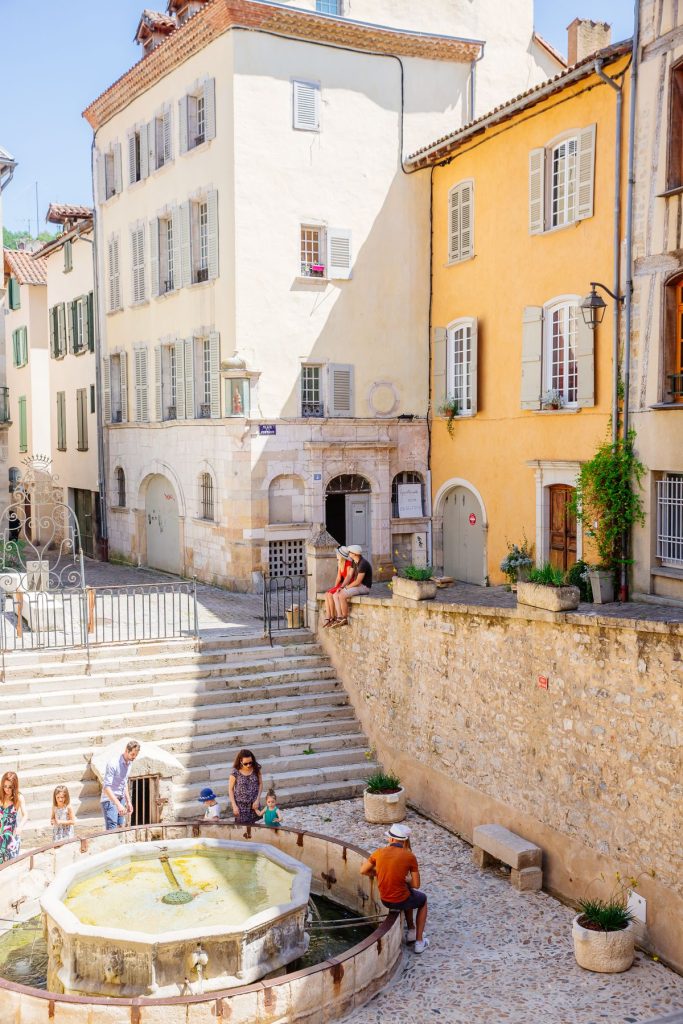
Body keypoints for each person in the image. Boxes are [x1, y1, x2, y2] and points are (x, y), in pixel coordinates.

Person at [360, 823, 429, 953]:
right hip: (400, 899)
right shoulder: (409, 856)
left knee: (409, 893)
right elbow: (416, 884)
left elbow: (363, 870)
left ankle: (411, 930)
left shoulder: (378, 852)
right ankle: (420, 942)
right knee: (422, 900)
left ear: (391, 839)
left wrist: (379, 872)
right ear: (404, 841)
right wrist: (408, 880)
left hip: (385, 899)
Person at [100, 740, 140, 830]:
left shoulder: (129, 763)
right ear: (126, 750)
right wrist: (118, 804)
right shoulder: (113, 763)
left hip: (121, 799)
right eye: (133, 754)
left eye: (136, 755)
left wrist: (128, 802)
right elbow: (106, 787)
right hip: (109, 800)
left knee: (121, 828)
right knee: (112, 830)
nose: (134, 757)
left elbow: (124, 782)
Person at [332, 544, 372, 627]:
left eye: (350, 552)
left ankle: (344, 618)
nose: (349, 553)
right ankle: (339, 617)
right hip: (358, 586)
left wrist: (346, 587)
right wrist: (342, 587)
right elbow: (349, 576)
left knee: (342, 595)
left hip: (364, 587)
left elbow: (358, 582)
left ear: (355, 554)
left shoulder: (363, 564)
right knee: (336, 594)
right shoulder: (354, 561)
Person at [322, 546, 355, 627]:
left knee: (330, 594)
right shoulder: (340, 563)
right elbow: (338, 577)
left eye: (337, 554)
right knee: (327, 594)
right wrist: (334, 588)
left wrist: (338, 588)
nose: (336, 555)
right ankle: (329, 616)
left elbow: (348, 578)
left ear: (341, 555)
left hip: (347, 584)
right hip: (341, 584)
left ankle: (333, 617)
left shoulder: (348, 564)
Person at [229, 749, 263, 825]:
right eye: (246, 763)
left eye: (250, 762)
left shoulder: (256, 768)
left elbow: (260, 784)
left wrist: (257, 800)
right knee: (241, 827)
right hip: (241, 805)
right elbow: (230, 789)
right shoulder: (235, 772)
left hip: (254, 804)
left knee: (255, 827)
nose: (248, 765)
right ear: (240, 761)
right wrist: (234, 806)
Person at [0, 771, 28, 863]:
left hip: (11, 836)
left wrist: (20, 827)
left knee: (9, 865)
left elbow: (25, 815)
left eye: (10, 787)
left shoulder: (18, 798)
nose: (7, 789)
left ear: (15, 786)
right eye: (5, 786)